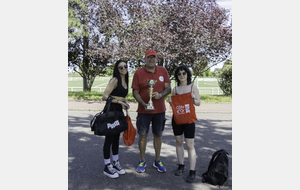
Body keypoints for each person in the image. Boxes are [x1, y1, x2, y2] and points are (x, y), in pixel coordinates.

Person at [131, 49, 171, 173]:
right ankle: (142, 160)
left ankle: (157, 160)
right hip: (143, 111)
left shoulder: (163, 71)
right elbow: (135, 92)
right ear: (145, 59)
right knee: (143, 136)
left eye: (153, 57)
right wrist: (143, 103)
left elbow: (168, 88)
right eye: (149, 57)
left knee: (158, 136)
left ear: (156, 59)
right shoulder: (138, 72)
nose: (151, 59)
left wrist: (161, 94)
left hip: (159, 111)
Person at [167, 65, 201, 183]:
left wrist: (193, 99)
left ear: (187, 75)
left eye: (184, 73)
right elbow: (175, 105)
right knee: (179, 142)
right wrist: (170, 101)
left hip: (189, 120)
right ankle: (181, 165)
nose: (181, 75)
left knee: (190, 145)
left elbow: (198, 103)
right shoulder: (175, 89)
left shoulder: (193, 87)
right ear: (177, 76)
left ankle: (192, 171)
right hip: (177, 120)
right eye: (179, 74)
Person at [101, 60, 130, 179]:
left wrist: (125, 102)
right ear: (117, 69)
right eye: (120, 67)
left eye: (125, 66)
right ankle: (107, 166)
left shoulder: (125, 79)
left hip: (119, 111)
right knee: (109, 138)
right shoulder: (115, 80)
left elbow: (121, 96)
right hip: (111, 111)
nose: (123, 68)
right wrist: (120, 101)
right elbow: (104, 96)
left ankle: (115, 162)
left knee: (116, 138)